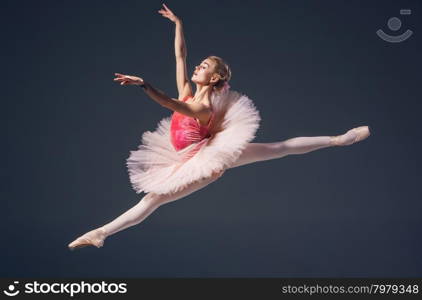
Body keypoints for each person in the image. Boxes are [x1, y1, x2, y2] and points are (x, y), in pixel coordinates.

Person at [68, 4, 370, 250]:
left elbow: (169, 104)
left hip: (205, 160)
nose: (197, 67)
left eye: (204, 67)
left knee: (276, 149)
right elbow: (180, 56)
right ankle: (101, 234)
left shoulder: (201, 107)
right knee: (276, 149)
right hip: (187, 155)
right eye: (200, 64)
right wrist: (178, 24)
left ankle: (338, 140)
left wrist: (144, 84)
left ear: (214, 79)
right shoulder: (188, 90)